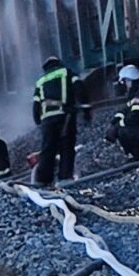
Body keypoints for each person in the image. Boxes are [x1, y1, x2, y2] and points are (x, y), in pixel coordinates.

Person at [32, 56, 91, 186]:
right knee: (67, 146)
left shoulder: (40, 81)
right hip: (65, 115)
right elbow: (79, 88)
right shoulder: (66, 72)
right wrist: (86, 108)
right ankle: (64, 178)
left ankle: (42, 180)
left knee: (48, 149)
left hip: (47, 119)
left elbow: (36, 104)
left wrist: (37, 120)